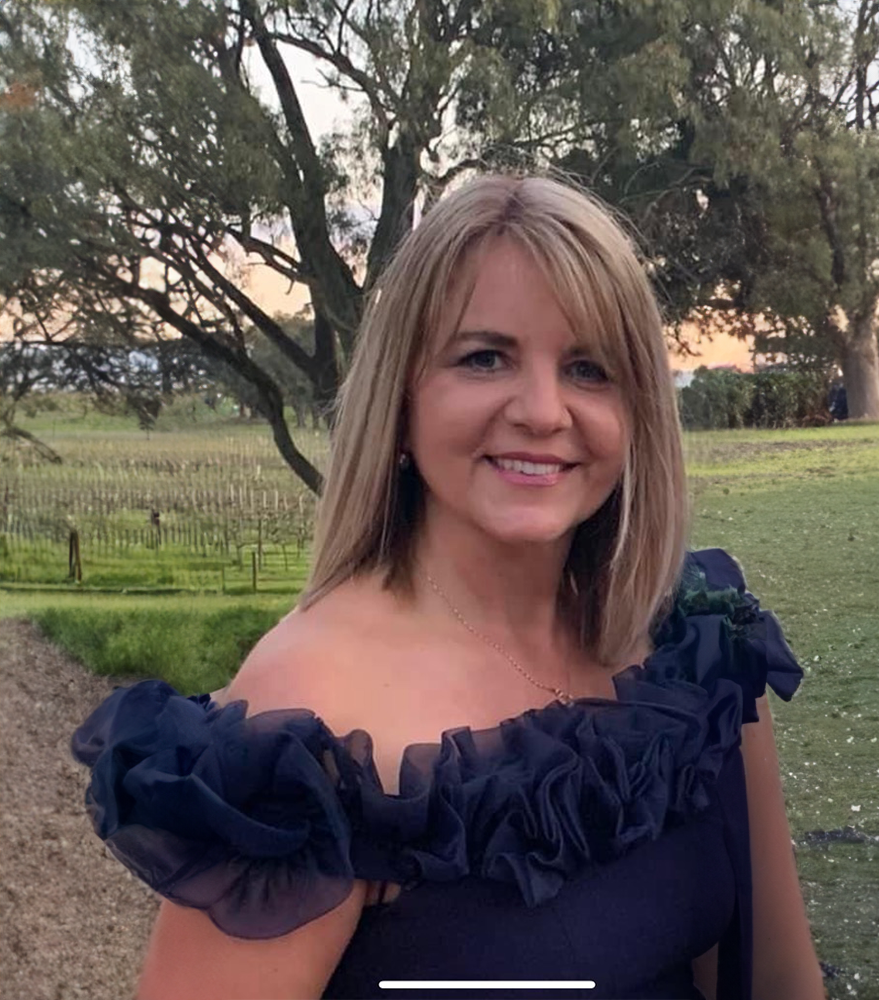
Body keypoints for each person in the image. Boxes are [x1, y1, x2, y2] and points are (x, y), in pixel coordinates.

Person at [71, 174, 825, 1000]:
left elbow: (776, 977)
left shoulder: (694, 639)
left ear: (638, 411)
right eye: (484, 357)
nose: (543, 411)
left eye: (589, 368)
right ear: (400, 401)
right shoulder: (308, 721)